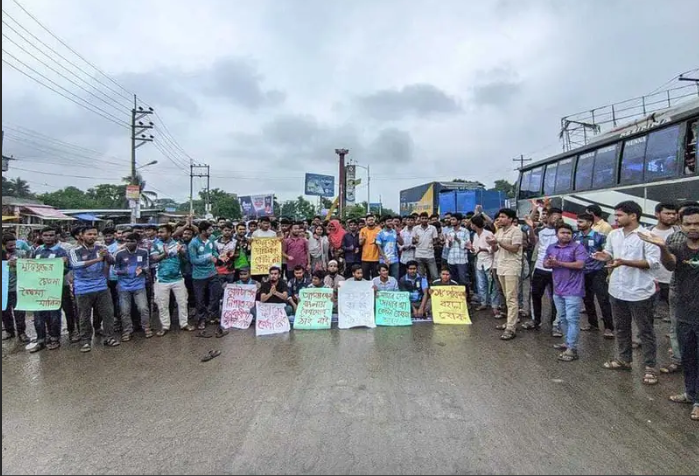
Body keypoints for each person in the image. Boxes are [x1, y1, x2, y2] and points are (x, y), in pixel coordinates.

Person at [638, 206, 699, 421]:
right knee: (688, 357)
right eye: (688, 224)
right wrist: (663, 247)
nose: (693, 228)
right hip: (683, 311)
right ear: (681, 225)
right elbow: (671, 265)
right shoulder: (676, 245)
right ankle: (691, 393)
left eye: (697, 223)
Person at [594, 201, 661, 386]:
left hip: (640, 291)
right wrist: (604, 256)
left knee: (645, 331)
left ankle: (650, 367)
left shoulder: (647, 236)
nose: (616, 218)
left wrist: (624, 262)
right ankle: (624, 359)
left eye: (619, 215)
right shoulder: (614, 234)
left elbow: (652, 263)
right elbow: (609, 253)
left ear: (633, 216)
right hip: (617, 289)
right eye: (615, 215)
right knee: (621, 327)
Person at [69, 226, 120, 352]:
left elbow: (112, 262)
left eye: (94, 234)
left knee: (108, 314)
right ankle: (85, 341)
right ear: (82, 235)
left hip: (101, 286)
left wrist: (107, 255)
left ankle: (109, 337)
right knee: (84, 316)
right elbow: (75, 265)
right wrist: (97, 259)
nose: (92, 237)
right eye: (89, 234)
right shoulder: (75, 250)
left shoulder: (102, 248)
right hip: (83, 288)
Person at [544, 224, 588, 362]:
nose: (566, 235)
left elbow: (580, 264)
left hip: (573, 290)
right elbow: (545, 263)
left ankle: (572, 349)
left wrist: (558, 263)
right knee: (562, 317)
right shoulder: (551, 247)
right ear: (556, 234)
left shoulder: (578, 248)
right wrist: (550, 263)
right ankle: (568, 342)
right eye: (562, 232)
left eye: (568, 233)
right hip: (558, 289)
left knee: (572, 318)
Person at [26, 227, 68, 352]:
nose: (48, 237)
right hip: (39, 288)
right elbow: (30, 266)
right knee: (38, 316)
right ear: (41, 236)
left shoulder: (61, 251)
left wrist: (62, 265)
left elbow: (66, 270)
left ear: (56, 236)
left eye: (51, 235)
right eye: (45, 235)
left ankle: (55, 339)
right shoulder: (37, 250)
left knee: (54, 315)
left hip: (54, 288)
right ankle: (41, 340)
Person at [574, 213, 615, 338]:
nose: (578, 224)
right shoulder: (575, 236)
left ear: (590, 223)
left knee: (603, 299)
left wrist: (609, 272)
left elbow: (608, 255)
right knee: (587, 299)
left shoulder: (600, 237)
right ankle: (593, 324)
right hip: (582, 272)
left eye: (581, 222)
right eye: (578, 221)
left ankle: (609, 327)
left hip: (598, 271)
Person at [486, 208, 523, 341]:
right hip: (500, 266)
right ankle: (509, 322)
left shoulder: (516, 231)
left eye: (503, 217)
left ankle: (511, 328)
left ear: (510, 219)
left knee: (512, 298)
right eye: (499, 217)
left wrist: (498, 242)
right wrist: (492, 244)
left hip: (512, 267)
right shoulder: (499, 231)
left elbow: (515, 248)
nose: (500, 219)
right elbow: (495, 249)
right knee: (507, 297)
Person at [524, 207, 562, 335]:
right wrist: (530, 227)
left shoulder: (562, 230)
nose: (556, 219)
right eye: (554, 216)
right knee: (535, 294)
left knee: (556, 298)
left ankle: (556, 324)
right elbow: (532, 241)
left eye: (559, 217)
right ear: (548, 216)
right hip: (540, 267)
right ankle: (536, 320)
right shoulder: (539, 230)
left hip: (557, 269)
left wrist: (558, 228)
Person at [151, 224, 193, 336]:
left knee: (183, 302)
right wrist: (164, 254)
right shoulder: (155, 244)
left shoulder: (178, 244)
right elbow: (154, 258)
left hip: (178, 278)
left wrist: (182, 253)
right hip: (161, 279)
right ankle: (165, 326)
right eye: (158, 232)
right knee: (162, 304)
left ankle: (184, 324)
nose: (159, 234)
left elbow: (186, 260)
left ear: (169, 233)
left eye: (162, 232)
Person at [114, 233, 152, 340]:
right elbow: (115, 270)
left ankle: (146, 328)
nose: (129, 243)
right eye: (127, 241)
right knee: (124, 310)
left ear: (137, 242)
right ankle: (127, 331)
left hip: (139, 285)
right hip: (123, 286)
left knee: (143, 308)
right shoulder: (119, 253)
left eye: (132, 241)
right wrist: (125, 271)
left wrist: (142, 270)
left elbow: (147, 266)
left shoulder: (143, 252)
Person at [188, 221, 221, 330]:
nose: (212, 232)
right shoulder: (193, 243)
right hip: (199, 276)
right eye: (210, 230)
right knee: (200, 300)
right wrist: (208, 258)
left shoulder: (211, 239)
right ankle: (201, 319)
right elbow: (193, 260)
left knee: (215, 296)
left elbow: (214, 252)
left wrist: (218, 256)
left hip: (212, 273)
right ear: (202, 231)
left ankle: (213, 316)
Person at [649, 203, 679, 320]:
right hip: (652, 278)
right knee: (648, 312)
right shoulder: (647, 232)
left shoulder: (680, 233)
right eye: (667, 213)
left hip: (672, 279)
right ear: (657, 214)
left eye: (673, 214)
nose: (671, 216)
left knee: (675, 312)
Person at [470, 215, 500, 317]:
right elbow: (475, 249)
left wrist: (484, 249)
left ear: (475, 225)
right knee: (481, 284)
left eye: (472, 224)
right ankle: (483, 303)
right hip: (479, 262)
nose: (471, 225)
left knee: (492, 285)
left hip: (489, 262)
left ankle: (495, 305)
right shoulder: (475, 235)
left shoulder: (488, 233)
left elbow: (495, 248)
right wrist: (471, 248)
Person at [1, 234, 30, 343]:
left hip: (17, 288)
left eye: (14, 244)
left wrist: (19, 265)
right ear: (3, 245)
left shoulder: (21, 253)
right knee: (4, 312)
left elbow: (28, 268)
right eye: (10, 245)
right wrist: (7, 264)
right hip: (3, 289)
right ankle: (9, 331)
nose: (13, 247)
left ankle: (22, 332)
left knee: (19, 312)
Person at [445, 213, 471, 298]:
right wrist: (450, 242)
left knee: (463, 279)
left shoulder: (465, 231)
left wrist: (457, 239)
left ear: (459, 221)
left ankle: (466, 298)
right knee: (453, 279)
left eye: (453, 219)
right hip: (451, 259)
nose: (451, 221)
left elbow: (468, 245)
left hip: (462, 259)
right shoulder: (449, 231)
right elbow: (447, 246)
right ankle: (456, 298)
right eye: (451, 219)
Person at [413, 212, 439, 282]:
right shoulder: (415, 228)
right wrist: (415, 240)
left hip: (430, 254)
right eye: (422, 218)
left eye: (425, 218)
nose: (424, 220)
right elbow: (413, 241)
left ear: (428, 219)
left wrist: (433, 243)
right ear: (420, 219)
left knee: (435, 275)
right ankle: (422, 288)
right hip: (419, 254)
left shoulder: (433, 228)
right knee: (420, 276)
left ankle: (435, 288)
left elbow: (436, 241)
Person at [359, 214, 381, 279]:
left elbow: (381, 243)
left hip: (376, 258)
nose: (371, 221)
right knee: (365, 277)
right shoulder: (363, 230)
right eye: (369, 220)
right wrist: (363, 239)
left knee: (376, 277)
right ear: (366, 221)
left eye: (372, 220)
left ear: (374, 220)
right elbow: (360, 243)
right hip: (365, 258)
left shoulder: (379, 230)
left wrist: (377, 241)